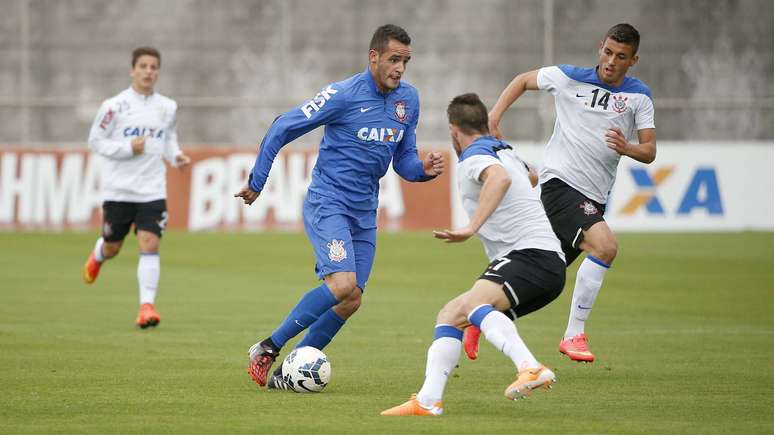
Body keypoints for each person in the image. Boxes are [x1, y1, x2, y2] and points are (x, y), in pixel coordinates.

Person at [235, 24, 445, 390]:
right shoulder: (343, 94)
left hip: (364, 213)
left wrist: (423, 171)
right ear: (374, 57)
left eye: (406, 61)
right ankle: (267, 348)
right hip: (328, 202)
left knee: (352, 300)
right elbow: (282, 126)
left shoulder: (407, 101)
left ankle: (289, 373)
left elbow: (405, 161)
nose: (400, 68)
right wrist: (257, 181)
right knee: (342, 284)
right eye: (394, 59)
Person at [465, 23, 657, 363]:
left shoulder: (639, 96)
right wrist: (494, 116)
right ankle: (574, 335)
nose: (611, 61)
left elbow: (649, 151)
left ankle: (482, 318)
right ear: (600, 47)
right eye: (608, 52)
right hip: (560, 184)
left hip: (594, 196)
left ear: (634, 60)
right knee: (606, 247)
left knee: (545, 276)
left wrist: (626, 147)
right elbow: (523, 79)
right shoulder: (569, 77)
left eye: (621, 56)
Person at [380, 93, 565, 416]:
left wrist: (471, 226)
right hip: (545, 263)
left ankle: (530, 367)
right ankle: (427, 401)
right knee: (452, 314)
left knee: (474, 305)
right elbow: (530, 176)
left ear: (454, 130)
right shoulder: (503, 150)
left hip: (530, 256)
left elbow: (501, 179)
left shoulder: (476, 157)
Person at [82, 47, 191, 329]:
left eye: (154, 66)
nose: (148, 71)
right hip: (119, 190)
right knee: (113, 246)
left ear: (158, 71)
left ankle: (146, 307)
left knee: (150, 243)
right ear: (133, 70)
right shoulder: (113, 106)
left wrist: (175, 156)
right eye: (143, 66)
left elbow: (168, 140)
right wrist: (127, 148)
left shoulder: (167, 107)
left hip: (152, 189)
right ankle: (98, 255)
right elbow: (96, 140)